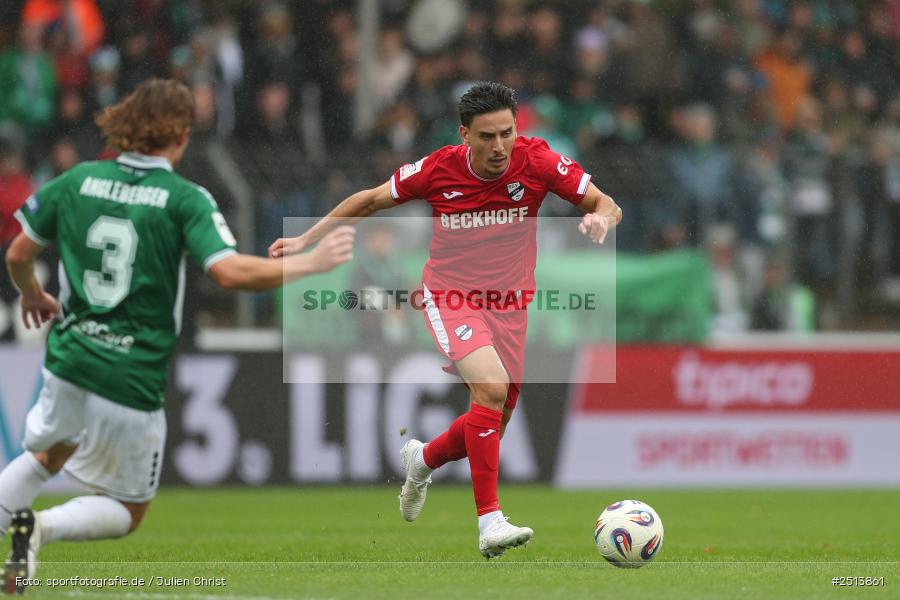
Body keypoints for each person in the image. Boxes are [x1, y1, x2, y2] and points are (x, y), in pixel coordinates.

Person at [0, 78, 354, 593]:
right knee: (128, 509)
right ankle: (42, 529)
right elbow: (229, 272)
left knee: (43, 456)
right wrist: (308, 265)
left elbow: (17, 254)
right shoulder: (183, 198)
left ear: (125, 122)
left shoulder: (76, 180)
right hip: (130, 371)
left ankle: (21, 522)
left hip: (69, 357)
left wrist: (31, 293)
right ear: (182, 135)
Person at [269, 81, 621, 558]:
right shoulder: (437, 170)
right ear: (464, 135)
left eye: (507, 133)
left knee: (492, 419)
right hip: (449, 294)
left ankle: (423, 458)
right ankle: (489, 522)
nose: (500, 147)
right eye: (488, 136)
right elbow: (369, 200)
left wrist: (601, 218)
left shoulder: (537, 160)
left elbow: (606, 203)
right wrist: (306, 240)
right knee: (491, 391)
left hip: (512, 305)